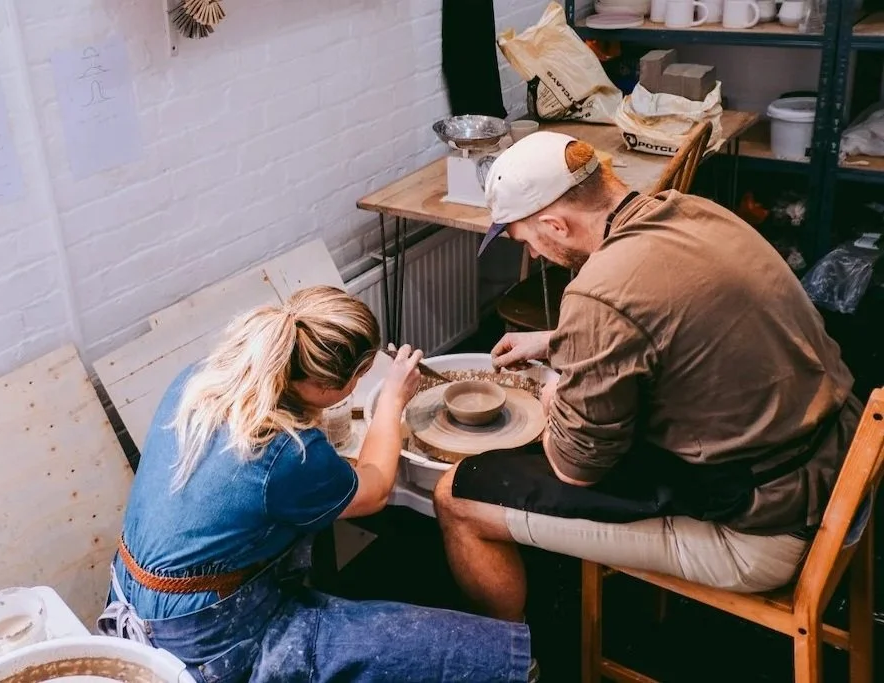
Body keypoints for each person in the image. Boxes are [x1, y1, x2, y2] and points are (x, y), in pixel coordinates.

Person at [433, 132, 862, 624]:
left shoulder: (600, 291)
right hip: (829, 461)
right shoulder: (693, 212)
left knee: (458, 496)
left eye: (527, 239)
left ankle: (509, 667)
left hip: (762, 528)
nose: (535, 251)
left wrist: (554, 395)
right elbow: (673, 318)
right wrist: (560, 339)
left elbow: (578, 467)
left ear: (555, 224)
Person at [98, 285, 535, 683]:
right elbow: (377, 487)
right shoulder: (289, 453)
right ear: (328, 385)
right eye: (360, 377)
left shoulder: (199, 379)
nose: (359, 386)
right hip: (206, 635)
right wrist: (395, 398)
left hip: (129, 593)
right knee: (482, 657)